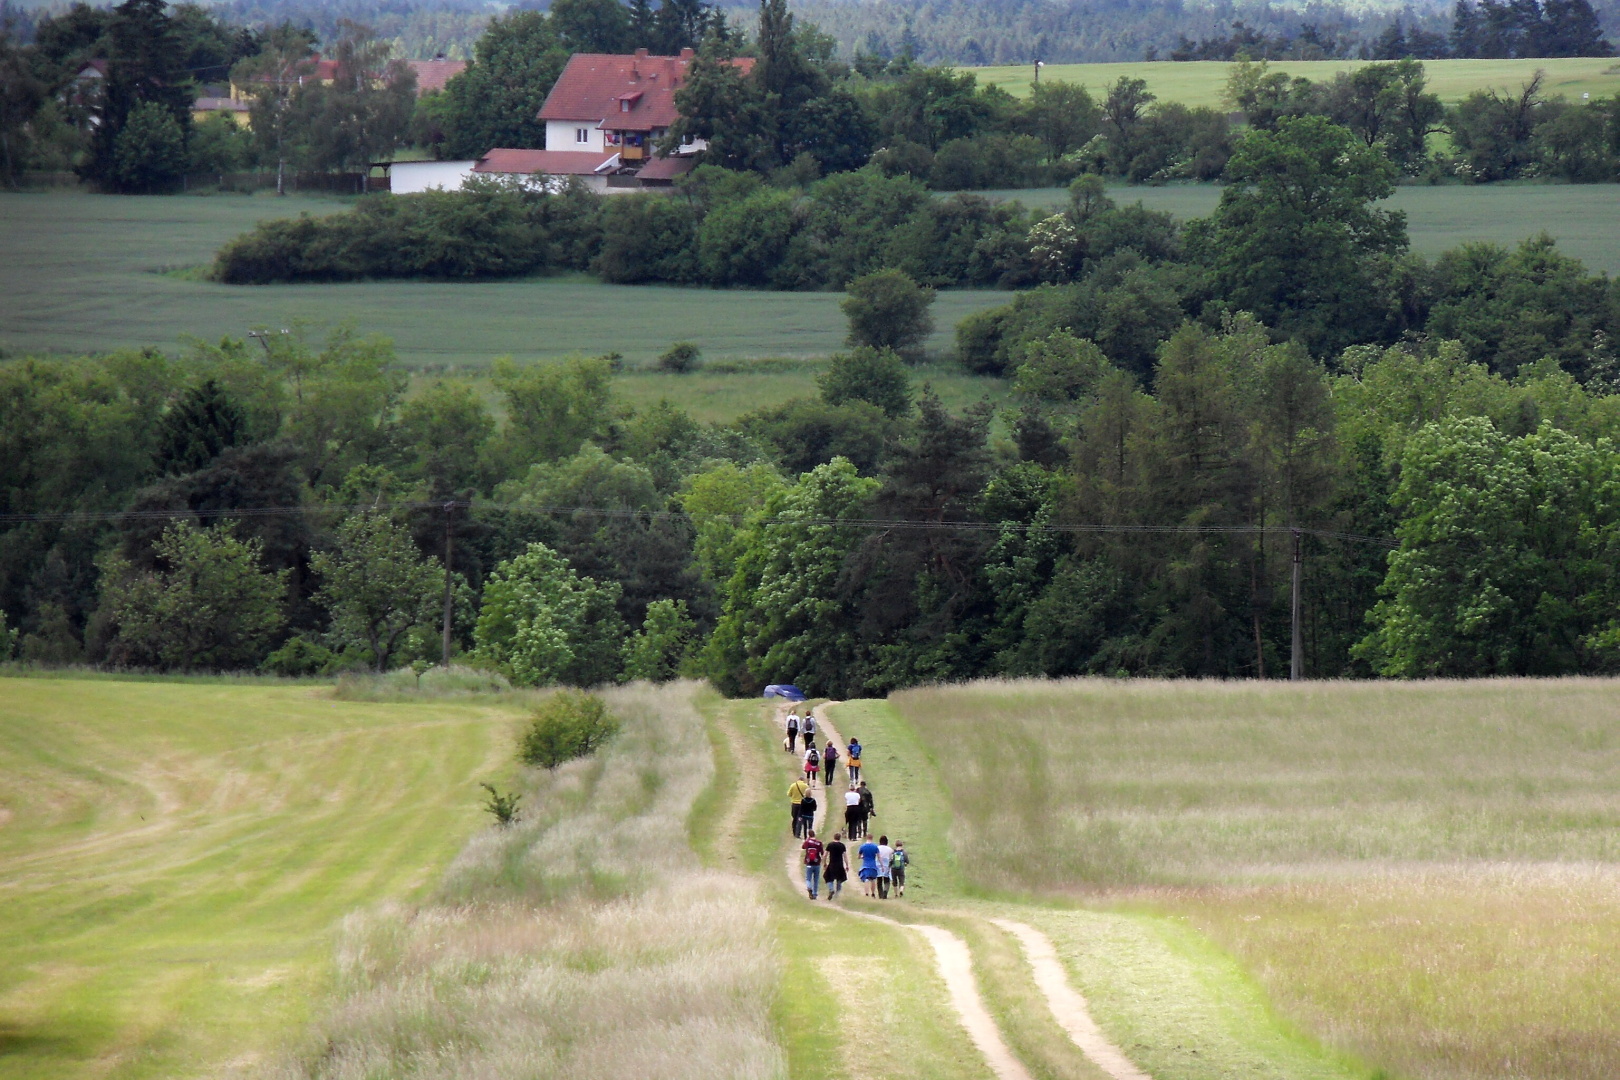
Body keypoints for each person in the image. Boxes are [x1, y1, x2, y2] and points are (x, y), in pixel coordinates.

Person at [824, 832, 848, 899]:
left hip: (832, 864)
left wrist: (824, 863)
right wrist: (847, 865)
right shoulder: (842, 845)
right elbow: (845, 856)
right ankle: (837, 895)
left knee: (828, 877)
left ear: (834, 837)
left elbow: (825, 855)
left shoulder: (830, 845)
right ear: (839, 838)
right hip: (840, 864)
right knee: (839, 879)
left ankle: (831, 889)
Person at [801, 829, 823, 899]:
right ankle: (815, 894)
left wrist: (807, 840)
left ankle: (809, 888)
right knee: (816, 879)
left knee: (808, 879)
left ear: (809, 835)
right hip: (817, 863)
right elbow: (822, 852)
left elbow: (803, 847)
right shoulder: (819, 843)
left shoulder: (807, 842)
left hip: (809, 862)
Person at [876, 835, 894, 899]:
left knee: (879, 881)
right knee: (887, 881)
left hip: (878, 865)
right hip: (886, 866)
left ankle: (880, 894)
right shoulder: (890, 849)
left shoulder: (877, 848)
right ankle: (885, 892)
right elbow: (892, 858)